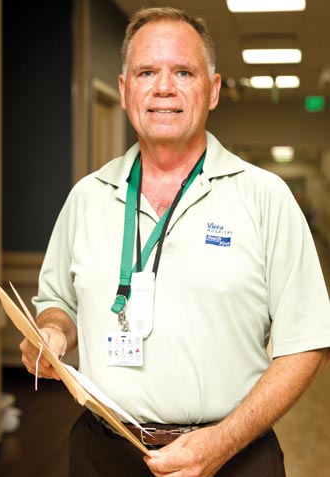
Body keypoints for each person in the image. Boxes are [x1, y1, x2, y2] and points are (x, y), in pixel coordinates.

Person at [20, 7, 330, 477]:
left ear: (213, 90)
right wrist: (53, 331)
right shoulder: (87, 198)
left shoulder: (265, 197)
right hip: (101, 453)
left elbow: (306, 343)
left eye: (183, 71)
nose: (163, 87)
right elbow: (58, 301)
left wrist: (222, 443)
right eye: (147, 72)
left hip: (234, 455)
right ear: (125, 91)